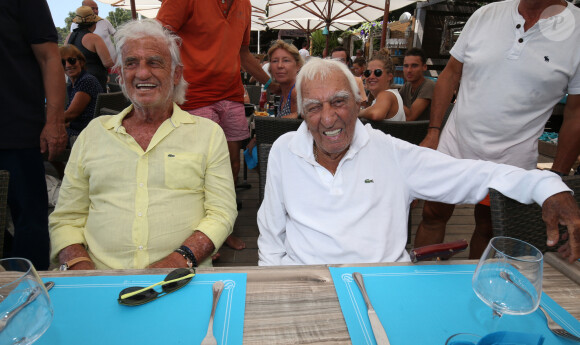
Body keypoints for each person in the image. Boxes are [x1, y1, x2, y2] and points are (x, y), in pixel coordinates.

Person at [257, 58, 580, 266]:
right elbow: (271, 233)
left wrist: (547, 184)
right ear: (301, 112)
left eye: (339, 102)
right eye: (314, 107)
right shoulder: (285, 149)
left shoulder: (393, 154)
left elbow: (475, 175)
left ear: (358, 104)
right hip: (306, 280)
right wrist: (271, 286)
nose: (328, 118)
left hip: (382, 285)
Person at [49, 19, 237, 270]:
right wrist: (81, 267)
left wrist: (173, 262)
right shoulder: (94, 133)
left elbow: (221, 214)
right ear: (121, 73)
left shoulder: (207, 134)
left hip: (179, 278)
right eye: (131, 63)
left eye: (154, 62)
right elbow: (66, 218)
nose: (142, 73)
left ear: (176, 73)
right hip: (98, 276)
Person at [415, 0, 580, 259]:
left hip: (511, 159)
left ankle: (473, 287)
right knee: (432, 214)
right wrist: (434, 131)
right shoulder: (486, 14)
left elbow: (576, 113)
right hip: (454, 143)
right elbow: (450, 74)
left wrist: (555, 177)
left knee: (489, 226)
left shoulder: (577, 30)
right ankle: (417, 279)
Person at [157, 0, 274, 251]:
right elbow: (157, 37)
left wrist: (273, 83)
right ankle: (200, 235)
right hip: (194, 95)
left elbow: (243, 54)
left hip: (231, 95)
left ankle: (223, 229)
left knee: (232, 164)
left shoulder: (245, 4)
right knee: (201, 169)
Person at [0, 0, 67, 270]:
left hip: (16, 128)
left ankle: (30, 295)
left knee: (30, 220)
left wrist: (54, 122)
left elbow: (49, 57)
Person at [60, 45, 104, 146]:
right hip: (79, 129)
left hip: (84, 135)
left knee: (42, 136)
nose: (67, 65)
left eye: (71, 60)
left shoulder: (86, 81)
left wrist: (44, 120)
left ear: (81, 61)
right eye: (62, 62)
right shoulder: (74, 83)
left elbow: (71, 114)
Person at [67, 6, 114, 90]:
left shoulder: (69, 37)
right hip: (93, 82)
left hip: (74, 82)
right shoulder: (94, 38)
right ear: (94, 23)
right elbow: (108, 63)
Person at [358, 48, 405, 121]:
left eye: (377, 72)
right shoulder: (391, 95)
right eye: (368, 73)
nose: (371, 76)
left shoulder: (386, 94)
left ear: (389, 76)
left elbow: (376, 114)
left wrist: (357, 112)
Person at [70, 0, 117, 64]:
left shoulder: (104, 21)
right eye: (92, 9)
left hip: (113, 63)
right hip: (99, 67)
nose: (96, 11)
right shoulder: (95, 38)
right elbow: (107, 63)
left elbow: (117, 36)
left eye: (97, 8)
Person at [268, 40, 303, 118]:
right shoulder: (284, 92)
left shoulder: (296, 92)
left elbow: (308, 115)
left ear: (298, 66)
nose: (280, 65)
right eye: (275, 61)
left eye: (286, 60)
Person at [399, 48, 435, 121]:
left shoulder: (429, 85)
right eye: (406, 66)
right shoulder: (407, 85)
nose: (409, 70)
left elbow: (410, 117)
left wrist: (390, 100)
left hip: (421, 131)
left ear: (424, 67)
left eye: (414, 66)